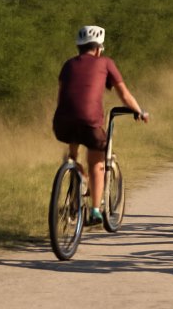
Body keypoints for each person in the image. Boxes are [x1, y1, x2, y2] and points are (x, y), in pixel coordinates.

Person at [53, 25, 148, 225]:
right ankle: (95, 210)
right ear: (97, 49)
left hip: (62, 123)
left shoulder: (68, 65)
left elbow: (62, 97)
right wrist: (139, 111)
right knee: (96, 163)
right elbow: (124, 94)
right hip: (89, 123)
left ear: (79, 47)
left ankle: (73, 166)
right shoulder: (105, 63)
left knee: (74, 144)